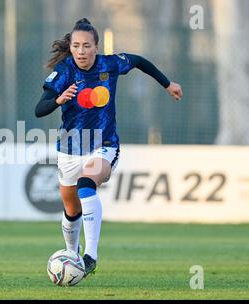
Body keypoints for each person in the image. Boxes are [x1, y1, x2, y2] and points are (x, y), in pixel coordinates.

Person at [35, 18, 183, 277]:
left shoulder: (110, 64)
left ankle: (90, 255)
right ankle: (73, 252)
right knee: (71, 209)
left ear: (96, 47)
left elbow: (138, 61)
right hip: (69, 149)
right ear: (71, 47)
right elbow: (39, 109)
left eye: (86, 46)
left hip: (103, 144)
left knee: (86, 183)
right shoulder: (64, 71)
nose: (81, 51)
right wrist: (58, 99)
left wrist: (167, 83)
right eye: (76, 46)